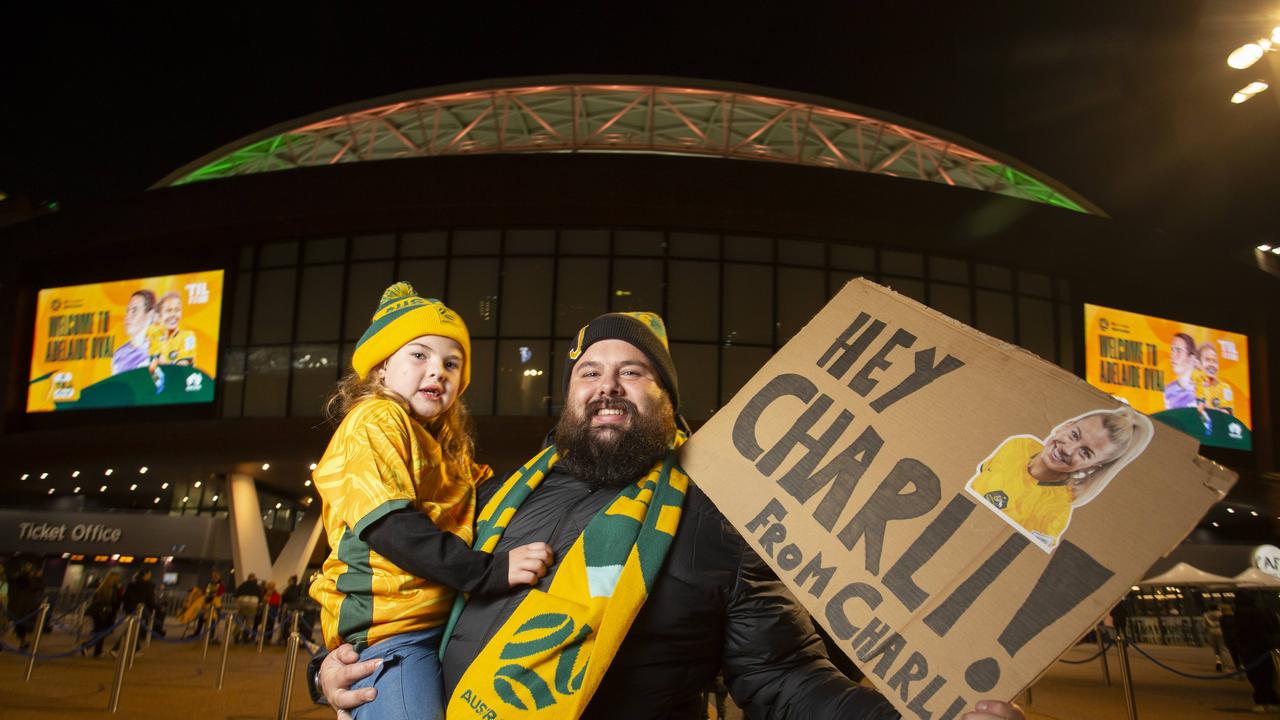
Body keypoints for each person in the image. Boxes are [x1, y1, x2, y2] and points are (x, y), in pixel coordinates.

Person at [315, 311, 1026, 720]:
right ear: (568, 400)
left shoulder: (721, 515)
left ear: (666, 400)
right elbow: (411, 598)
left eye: (634, 371)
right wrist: (331, 668)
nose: (607, 386)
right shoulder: (504, 497)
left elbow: (783, 677)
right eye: (589, 373)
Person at [308, 282, 551, 720]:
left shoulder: (444, 446)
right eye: (419, 354)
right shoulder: (375, 419)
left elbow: (494, 495)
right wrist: (488, 572)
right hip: (392, 636)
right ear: (381, 368)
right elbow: (393, 528)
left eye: (451, 363)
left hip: (439, 627)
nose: (438, 370)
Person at [967, 407, 1152, 551]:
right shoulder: (1018, 445)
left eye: (1085, 453)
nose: (1068, 449)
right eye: (1074, 435)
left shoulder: (1055, 513)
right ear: (1066, 425)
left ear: (1092, 467)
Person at [1232, 590, 1280, 712]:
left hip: (1249, 651)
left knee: (1256, 678)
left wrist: (1237, 655)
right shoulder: (1265, 612)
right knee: (1269, 676)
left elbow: (1237, 635)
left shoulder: (1240, 615)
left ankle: (1261, 701)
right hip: (1267, 649)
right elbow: (1275, 628)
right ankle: (1272, 701)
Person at [147, 291, 198, 369]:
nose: (173, 314)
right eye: (168, 311)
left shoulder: (188, 336)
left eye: (177, 310)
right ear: (160, 315)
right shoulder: (155, 334)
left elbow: (183, 365)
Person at [111, 289, 157, 375]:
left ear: (150, 315)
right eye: (127, 310)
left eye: (134, 310)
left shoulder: (157, 351)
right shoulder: (119, 354)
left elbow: (159, 384)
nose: (127, 317)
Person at [112, 569, 157, 656]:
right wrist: (154, 609)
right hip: (139, 610)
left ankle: (136, 649)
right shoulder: (147, 585)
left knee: (134, 630)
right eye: (149, 574)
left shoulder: (132, 583)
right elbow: (150, 599)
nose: (150, 576)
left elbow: (125, 597)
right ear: (146, 575)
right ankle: (116, 649)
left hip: (130, 609)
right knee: (131, 630)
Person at [1193, 342, 1234, 435]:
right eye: (1207, 360)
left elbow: (1227, 414)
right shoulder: (1193, 386)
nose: (1212, 364)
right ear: (1198, 364)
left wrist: (1211, 411)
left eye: (1214, 361)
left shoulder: (1225, 388)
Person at [7, 562, 43, 651]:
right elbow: (38, 586)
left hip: (18, 607)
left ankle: (22, 642)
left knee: (19, 626)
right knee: (19, 625)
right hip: (21, 608)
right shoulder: (25, 580)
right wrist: (35, 577)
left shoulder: (19, 579)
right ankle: (22, 643)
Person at [86, 573, 124, 658]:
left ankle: (97, 651)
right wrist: (120, 594)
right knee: (103, 632)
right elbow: (114, 602)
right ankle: (87, 646)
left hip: (97, 613)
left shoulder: (101, 588)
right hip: (105, 614)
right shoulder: (113, 589)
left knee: (100, 632)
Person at [1162, 332, 1198, 410]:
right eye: (1172, 350)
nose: (1172, 356)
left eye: (1178, 351)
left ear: (1191, 357)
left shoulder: (1203, 388)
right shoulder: (1169, 390)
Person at [235, 572, 263, 643]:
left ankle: (236, 636)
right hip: (252, 605)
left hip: (242, 604)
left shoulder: (243, 585)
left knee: (239, 621)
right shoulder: (257, 587)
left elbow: (236, 594)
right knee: (249, 622)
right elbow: (260, 597)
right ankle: (245, 637)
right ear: (254, 579)